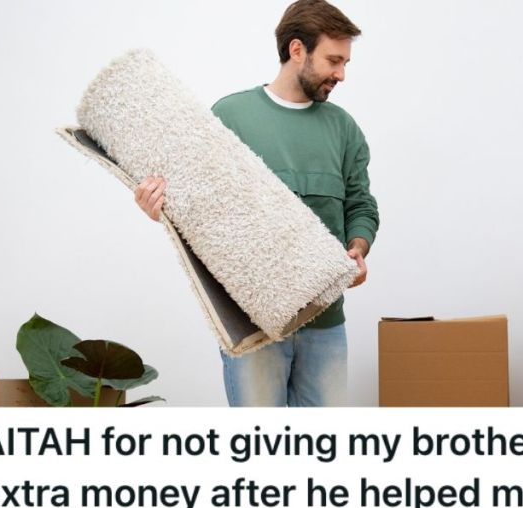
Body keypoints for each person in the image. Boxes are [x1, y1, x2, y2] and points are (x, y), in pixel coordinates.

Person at [134, 0, 379, 407]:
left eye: (345, 63)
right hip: (254, 328)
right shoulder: (231, 116)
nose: (341, 74)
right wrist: (157, 206)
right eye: (334, 60)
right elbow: (196, 207)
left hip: (326, 324)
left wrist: (358, 245)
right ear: (297, 49)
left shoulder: (343, 129)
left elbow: (361, 204)